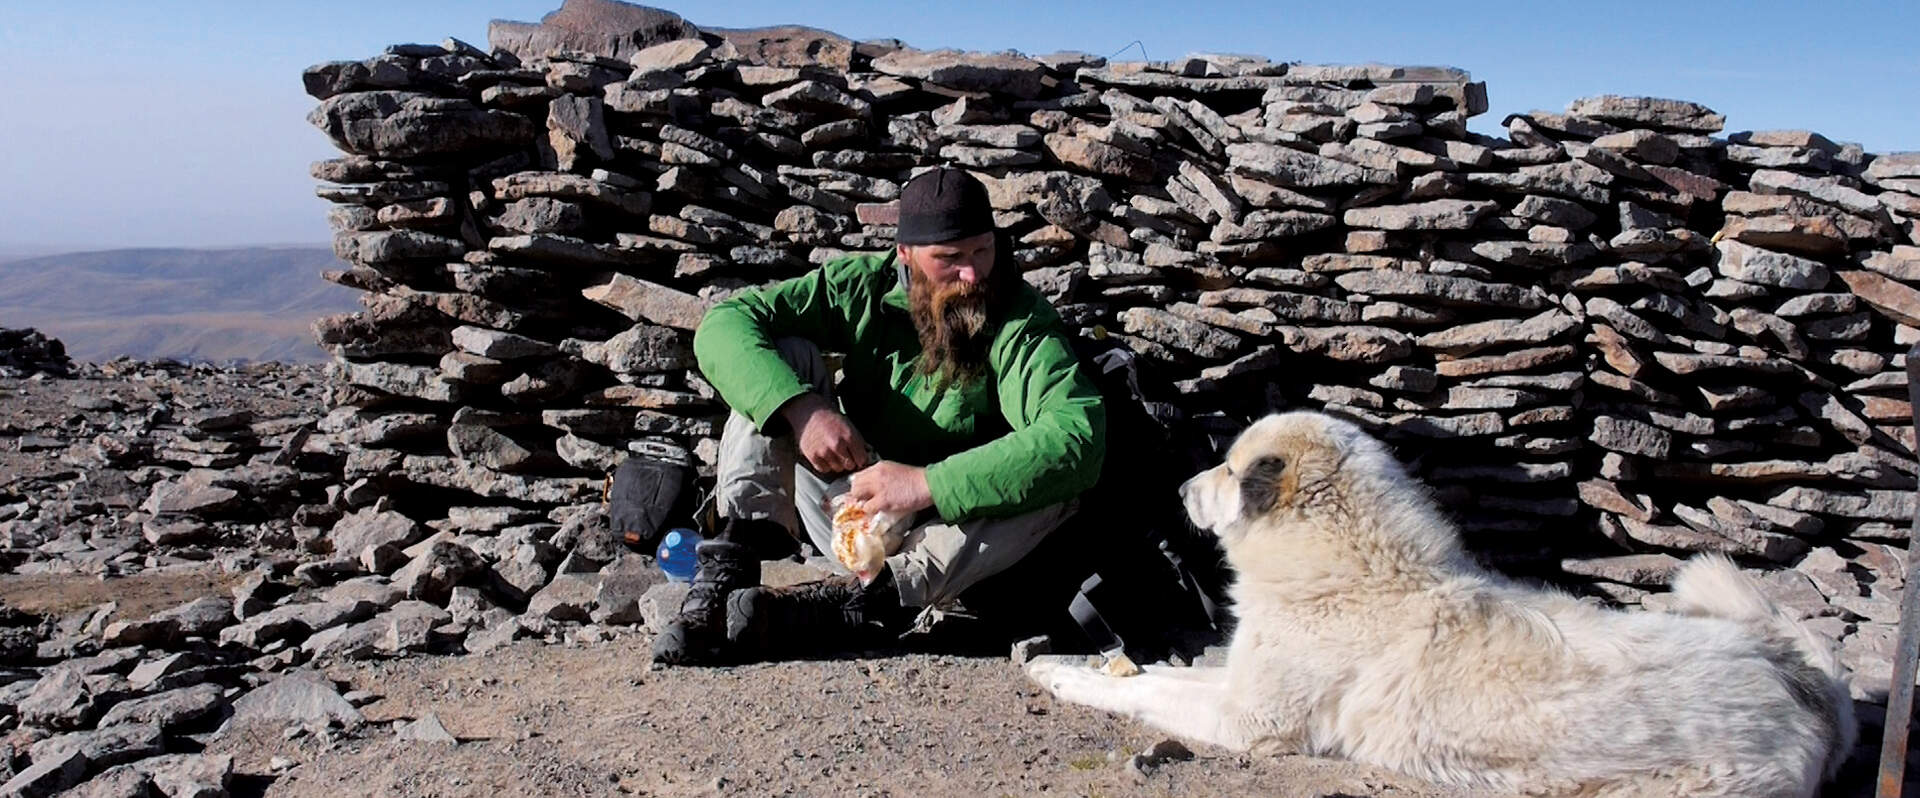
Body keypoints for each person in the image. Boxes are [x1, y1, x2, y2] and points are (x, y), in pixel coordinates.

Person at [651, 167, 1107, 665]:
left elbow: (1075, 435)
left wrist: (927, 484)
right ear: (905, 255)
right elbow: (724, 324)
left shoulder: (1022, 320)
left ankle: (867, 605)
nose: (973, 274)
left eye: (982, 250)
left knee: (1058, 485)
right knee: (782, 356)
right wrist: (801, 410)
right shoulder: (857, 289)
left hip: (958, 543)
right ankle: (725, 578)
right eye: (949, 259)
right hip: (854, 518)